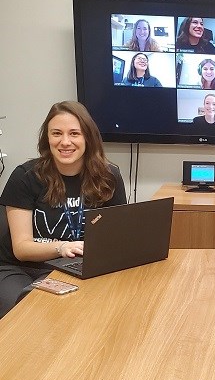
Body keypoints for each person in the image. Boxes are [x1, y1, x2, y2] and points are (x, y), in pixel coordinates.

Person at [0, 101, 127, 318]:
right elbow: (21, 248)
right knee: (28, 316)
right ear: (47, 138)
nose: (65, 142)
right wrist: (62, 247)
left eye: (74, 133)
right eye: (56, 133)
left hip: (77, 268)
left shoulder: (108, 177)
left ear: (88, 137)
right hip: (21, 269)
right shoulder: (25, 177)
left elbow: (116, 239)